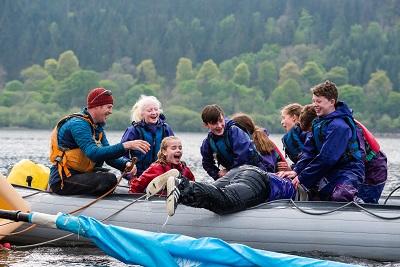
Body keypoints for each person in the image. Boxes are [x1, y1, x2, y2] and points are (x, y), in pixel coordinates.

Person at [49, 88, 151, 196]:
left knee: (108, 177)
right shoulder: (78, 124)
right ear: (97, 106)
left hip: (81, 176)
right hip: (63, 181)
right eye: (109, 107)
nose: (111, 111)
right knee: (109, 179)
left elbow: (108, 157)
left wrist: (125, 164)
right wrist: (126, 146)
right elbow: (93, 153)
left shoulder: (97, 127)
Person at [279, 81, 365, 202]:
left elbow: (327, 158)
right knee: (317, 194)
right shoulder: (317, 123)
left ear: (332, 102)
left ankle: (358, 204)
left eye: (318, 101)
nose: (315, 105)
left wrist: (303, 177)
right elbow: (309, 153)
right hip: (331, 171)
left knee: (340, 196)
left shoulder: (339, 126)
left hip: (349, 170)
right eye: (314, 101)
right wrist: (296, 171)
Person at [146, 165, 296, 216]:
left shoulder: (293, 178)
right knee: (228, 201)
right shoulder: (298, 189)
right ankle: (182, 186)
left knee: (213, 195)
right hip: (259, 181)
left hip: (240, 172)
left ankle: (179, 180)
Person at [200, 104, 262, 180]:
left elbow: (242, 157)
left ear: (224, 117)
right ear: (206, 125)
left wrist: (229, 171)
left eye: (221, 120)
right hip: (234, 175)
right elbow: (207, 163)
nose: (219, 126)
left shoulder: (234, 131)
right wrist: (218, 175)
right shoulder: (208, 142)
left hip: (254, 170)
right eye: (214, 123)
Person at [121, 95, 174, 180]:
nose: (154, 112)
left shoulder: (166, 129)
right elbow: (122, 154)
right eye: (149, 110)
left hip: (161, 175)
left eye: (156, 109)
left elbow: (173, 151)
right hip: (139, 176)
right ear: (142, 113)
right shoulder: (133, 130)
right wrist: (130, 175)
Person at [129, 136, 195, 194]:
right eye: (173, 148)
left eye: (180, 148)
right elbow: (135, 187)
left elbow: (194, 188)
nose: (178, 150)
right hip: (157, 202)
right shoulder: (155, 168)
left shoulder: (186, 170)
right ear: (164, 152)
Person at [355, 121, 388, 203]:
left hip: (374, 170)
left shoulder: (347, 127)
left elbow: (360, 156)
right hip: (371, 165)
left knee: (366, 203)